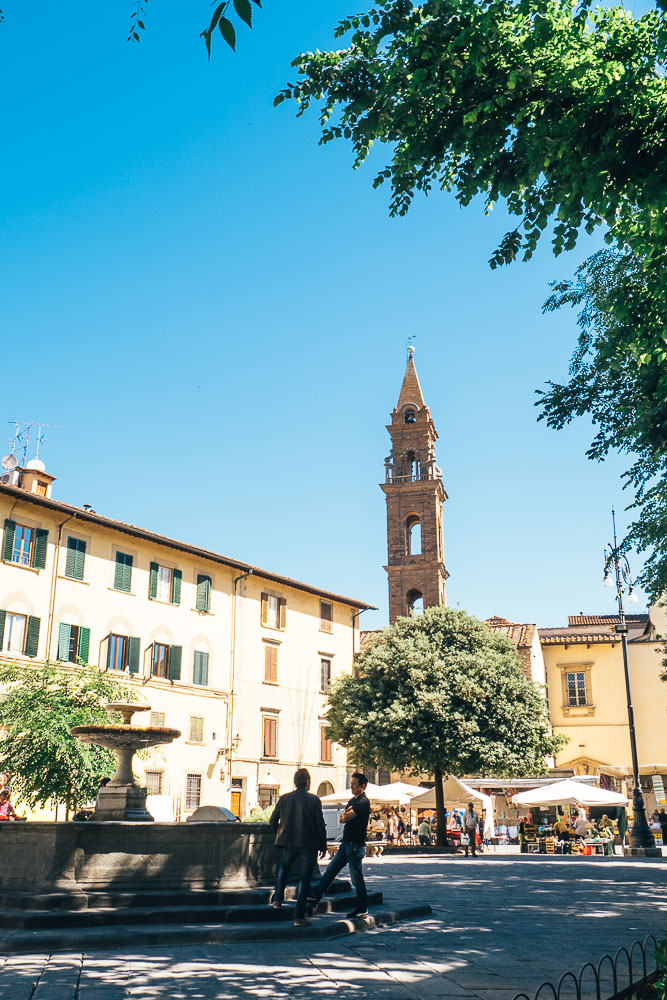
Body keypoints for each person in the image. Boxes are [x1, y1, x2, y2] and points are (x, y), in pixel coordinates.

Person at [269, 767, 327, 927]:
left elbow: (272, 821)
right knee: (304, 879)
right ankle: (299, 916)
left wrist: (280, 834)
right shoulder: (314, 800)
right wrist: (323, 844)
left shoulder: (285, 798)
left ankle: (278, 899)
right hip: (308, 844)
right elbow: (320, 824)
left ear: (295, 782)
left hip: (290, 842)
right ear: (308, 782)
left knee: (284, 868)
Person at [310, 771, 370, 919]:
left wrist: (346, 815)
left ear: (362, 786)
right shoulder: (352, 801)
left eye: (355, 784)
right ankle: (315, 898)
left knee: (356, 878)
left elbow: (345, 817)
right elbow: (343, 818)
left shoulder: (363, 802)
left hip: (355, 845)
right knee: (331, 870)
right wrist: (346, 815)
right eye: (352, 784)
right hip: (346, 844)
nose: (352, 787)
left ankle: (363, 908)